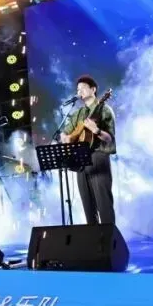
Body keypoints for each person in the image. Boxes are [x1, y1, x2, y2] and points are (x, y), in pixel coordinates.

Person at [59, 75, 117, 225]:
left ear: (93, 89)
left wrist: (96, 130)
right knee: (88, 208)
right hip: (80, 160)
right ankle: (93, 237)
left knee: (104, 205)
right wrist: (65, 137)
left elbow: (110, 139)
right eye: (78, 90)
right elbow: (64, 133)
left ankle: (109, 237)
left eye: (83, 88)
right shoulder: (77, 113)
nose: (80, 92)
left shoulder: (105, 110)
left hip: (98, 158)